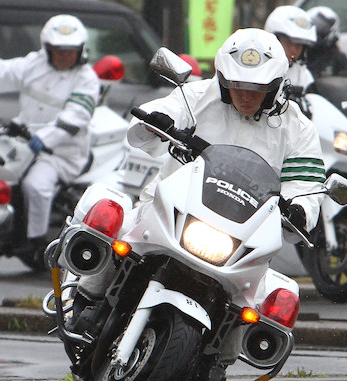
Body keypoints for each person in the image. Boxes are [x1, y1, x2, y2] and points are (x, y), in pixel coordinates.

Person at [73, 29, 326, 339]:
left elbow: (306, 183)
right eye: (237, 85)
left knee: (260, 305)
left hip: (243, 236)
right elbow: (161, 115)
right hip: (170, 209)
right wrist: (158, 120)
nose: (245, 95)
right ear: (222, 80)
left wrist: (300, 209)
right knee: (112, 221)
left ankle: (217, 362)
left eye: (256, 88)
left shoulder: (298, 128)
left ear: (275, 87)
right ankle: (86, 300)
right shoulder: (197, 95)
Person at [0, 14, 100, 253]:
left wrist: (47, 139)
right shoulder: (34, 64)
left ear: (80, 50)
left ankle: (36, 242)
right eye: (58, 50)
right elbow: (2, 71)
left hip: (61, 152)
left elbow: (76, 116)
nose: (64, 55)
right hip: (23, 140)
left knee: (36, 185)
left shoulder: (86, 79)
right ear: (47, 48)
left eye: (70, 50)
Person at [264, 5, 317, 95]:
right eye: (288, 42)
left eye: (298, 45)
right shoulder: (260, 69)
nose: (293, 50)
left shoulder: (302, 74)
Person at [305, 6, 347, 78]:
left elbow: (345, 85)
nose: (314, 36)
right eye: (311, 30)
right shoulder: (300, 55)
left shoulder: (338, 59)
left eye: (318, 32)